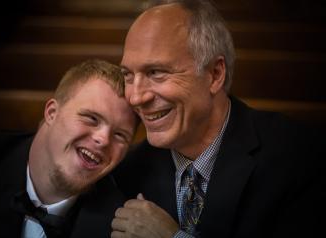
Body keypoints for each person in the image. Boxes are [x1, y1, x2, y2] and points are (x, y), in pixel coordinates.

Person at [111, 0, 325, 237]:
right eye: (128, 75)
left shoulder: (300, 157)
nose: (136, 97)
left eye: (156, 72)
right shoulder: (127, 170)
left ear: (215, 74)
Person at [0, 59, 139, 238]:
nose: (104, 140)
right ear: (52, 113)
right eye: (91, 118)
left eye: (120, 135)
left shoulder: (121, 224)